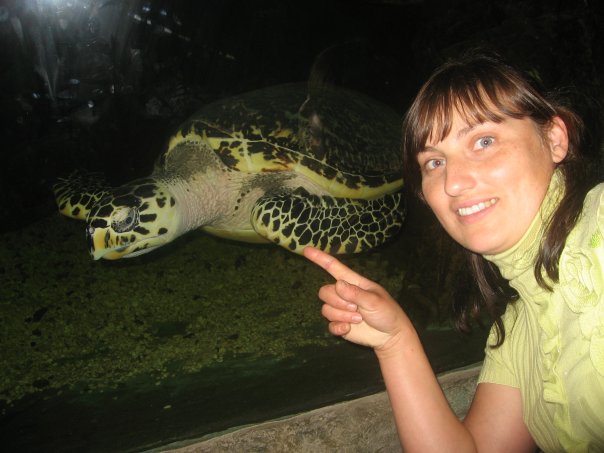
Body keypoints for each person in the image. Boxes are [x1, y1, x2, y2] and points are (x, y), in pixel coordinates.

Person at [303, 51, 604, 452]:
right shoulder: (520, 326)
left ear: (554, 139)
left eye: (484, 141)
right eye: (433, 162)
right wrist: (395, 341)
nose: (453, 183)